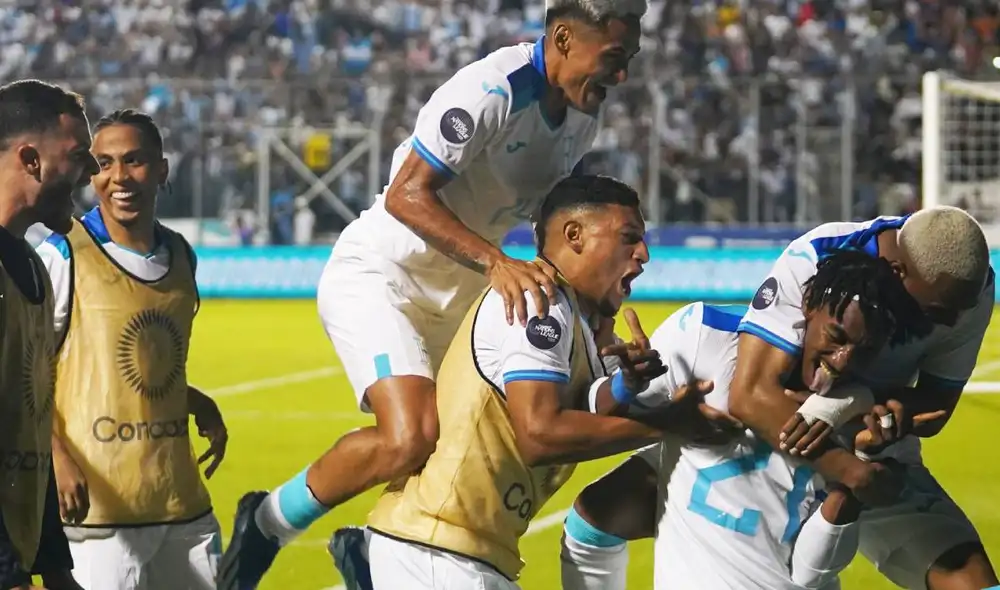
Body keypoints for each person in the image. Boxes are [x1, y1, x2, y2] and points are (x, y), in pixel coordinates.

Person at [219, 0, 648, 587]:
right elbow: (406, 194)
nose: (621, 76)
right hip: (385, 276)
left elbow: (557, 224)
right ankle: (267, 523)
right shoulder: (493, 90)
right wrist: (496, 261)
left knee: (462, 446)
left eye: (630, 60)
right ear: (566, 38)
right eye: (614, 57)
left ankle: (371, 550)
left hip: (464, 293)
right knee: (411, 436)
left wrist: (592, 331)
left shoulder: (581, 117)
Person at [361, 174, 728, 590]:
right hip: (435, 551)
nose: (643, 253)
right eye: (629, 237)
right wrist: (668, 425)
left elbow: (579, 409)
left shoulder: (572, 316)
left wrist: (625, 386)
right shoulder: (539, 300)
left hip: (454, 552)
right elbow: (540, 435)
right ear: (574, 235)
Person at [560, 250, 933, 590]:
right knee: (591, 516)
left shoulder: (876, 421)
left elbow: (811, 572)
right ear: (808, 305)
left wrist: (856, 479)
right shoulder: (704, 338)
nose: (841, 361)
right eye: (835, 337)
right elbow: (593, 410)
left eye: (864, 351)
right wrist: (628, 385)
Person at [728, 208, 998, 589]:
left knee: (972, 580)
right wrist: (852, 471)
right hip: (777, 442)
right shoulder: (818, 256)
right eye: (938, 313)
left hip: (874, 450)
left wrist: (865, 409)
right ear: (898, 272)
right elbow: (751, 395)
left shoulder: (969, 292)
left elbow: (937, 406)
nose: (952, 323)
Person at [36, 109, 228, 590]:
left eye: (134, 160)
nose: (118, 176)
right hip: (99, 515)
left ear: (162, 170)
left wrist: (194, 400)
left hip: (182, 507)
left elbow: (132, 365)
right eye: (104, 163)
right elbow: (24, 371)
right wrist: (56, 458)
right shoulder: (63, 254)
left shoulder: (181, 255)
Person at [0, 79, 97, 590]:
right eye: (79, 156)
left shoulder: (34, 269)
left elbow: (27, 430)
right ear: (31, 160)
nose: (94, 171)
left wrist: (55, 568)